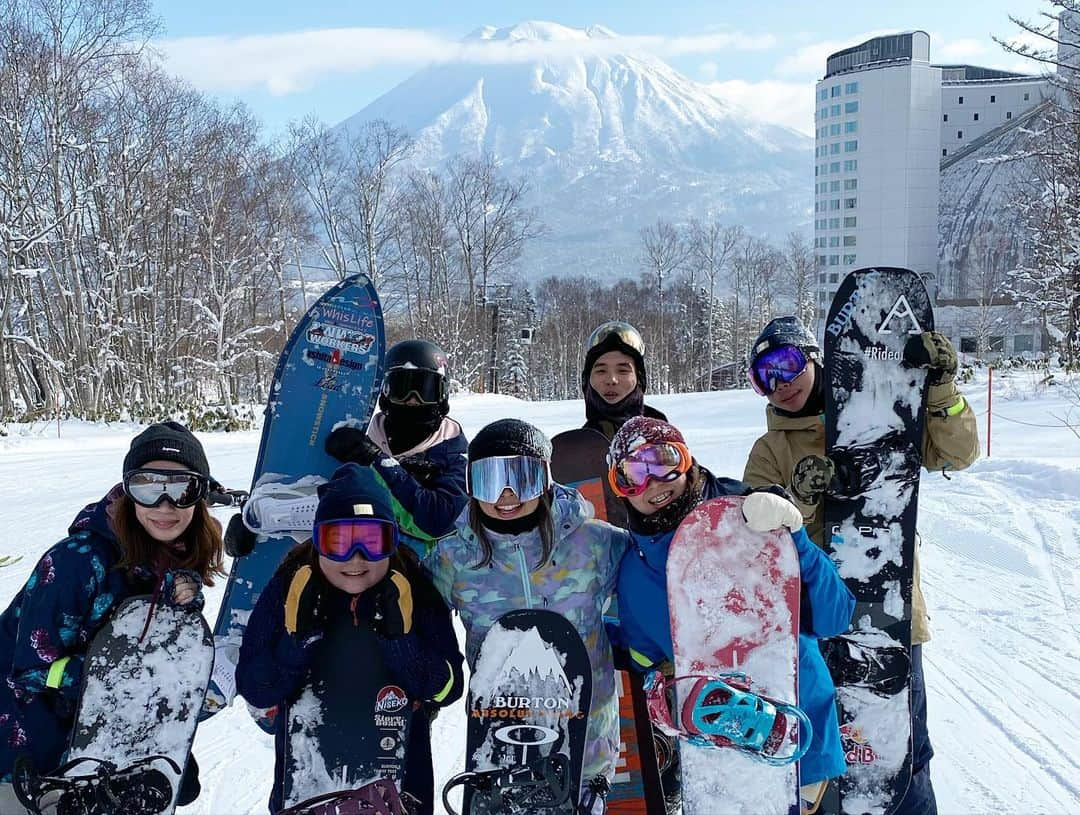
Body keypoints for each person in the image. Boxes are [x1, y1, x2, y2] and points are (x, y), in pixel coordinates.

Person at [742, 316, 979, 815]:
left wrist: (939, 390)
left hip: (889, 611)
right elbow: (760, 544)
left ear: (815, 358)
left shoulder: (883, 416)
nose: (781, 385)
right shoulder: (771, 451)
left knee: (902, 748)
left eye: (786, 365)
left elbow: (958, 454)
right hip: (815, 622)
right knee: (826, 751)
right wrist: (803, 500)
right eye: (766, 376)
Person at [609, 416, 855, 796]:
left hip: (800, 737)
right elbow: (646, 659)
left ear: (686, 460)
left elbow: (834, 618)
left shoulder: (752, 518)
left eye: (662, 461)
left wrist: (798, 545)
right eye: (632, 475)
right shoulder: (635, 574)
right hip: (718, 759)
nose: (652, 483)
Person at [0, 421, 224, 812]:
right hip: (30, 754)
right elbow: (29, 671)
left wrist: (178, 631)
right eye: (148, 486)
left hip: (108, 752)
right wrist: (125, 678)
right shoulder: (75, 563)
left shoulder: (176, 555)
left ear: (200, 495)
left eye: (182, 488)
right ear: (127, 491)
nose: (165, 505)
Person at [236, 463, 463, 815]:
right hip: (307, 791)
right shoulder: (290, 588)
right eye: (338, 541)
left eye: (374, 542)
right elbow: (256, 688)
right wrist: (297, 645)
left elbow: (448, 690)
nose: (356, 559)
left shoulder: (413, 589)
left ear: (392, 541)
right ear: (317, 540)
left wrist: (400, 643)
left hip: (400, 792)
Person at [425, 418, 629, 807]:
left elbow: (658, 567)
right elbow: (410, 616)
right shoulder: (455, 558)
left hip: (585, 742)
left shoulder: (594, 543)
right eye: (488, 479)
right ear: (469, 485)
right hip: (500, 743)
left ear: (546, 479)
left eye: (522, 477)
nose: (505, 494)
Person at [323, 339, 469, 557]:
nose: (413, 401)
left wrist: (378, 462)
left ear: (442, 396)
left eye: (425, 390)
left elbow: (437, 521)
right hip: (360, 567)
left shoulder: (455, 457)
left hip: (427, 576)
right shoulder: (357, 442)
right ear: (385, 393)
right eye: (402, 389)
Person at [581, 321, 667, 440]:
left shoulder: (663, 437)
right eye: (601, 371)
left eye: (623, 371)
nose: (611, 380)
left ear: (639, 378)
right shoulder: (578, 447)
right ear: (587, 379)